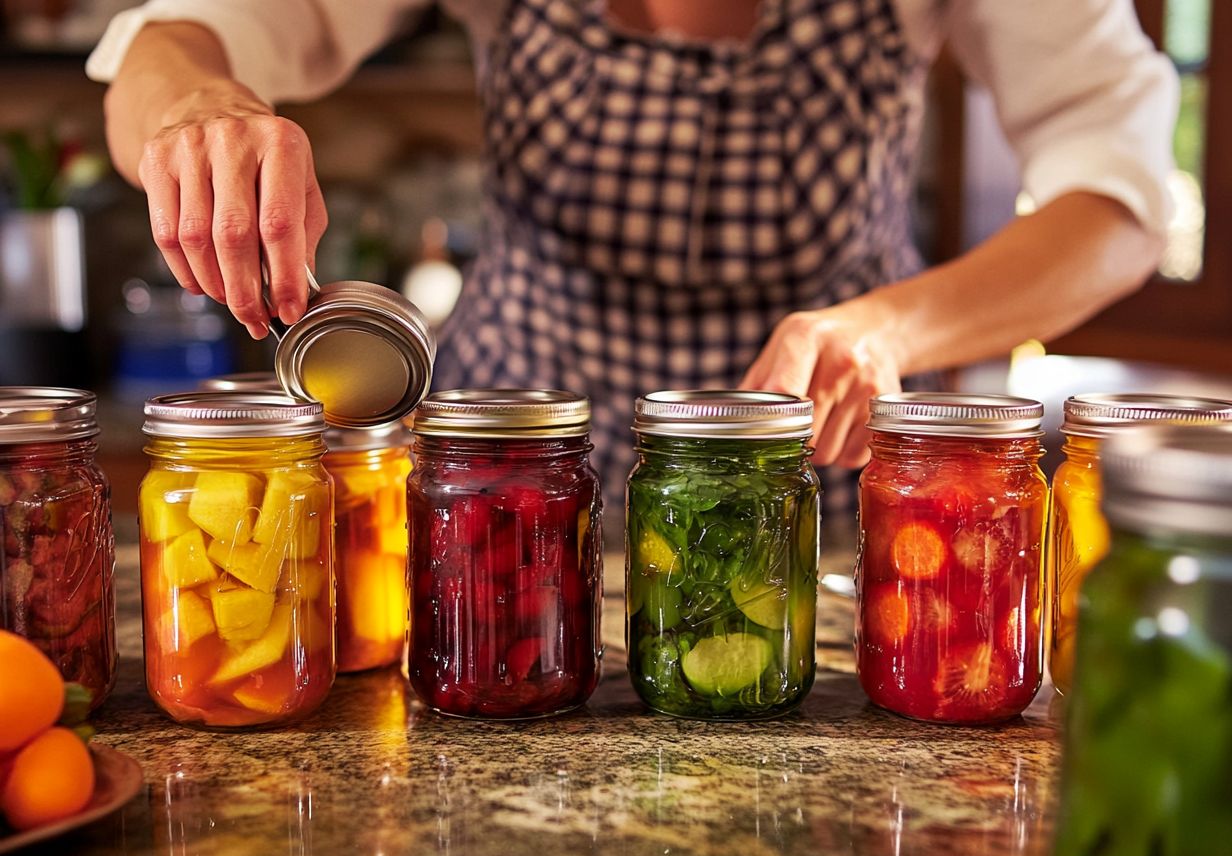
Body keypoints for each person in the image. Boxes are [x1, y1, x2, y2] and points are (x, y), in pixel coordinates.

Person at [87, 0, 1175, 512]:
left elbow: (1119, 199)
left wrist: (890, 326)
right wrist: (194, 96)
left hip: (822, 481)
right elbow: (169, 40)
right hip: (505, 466)